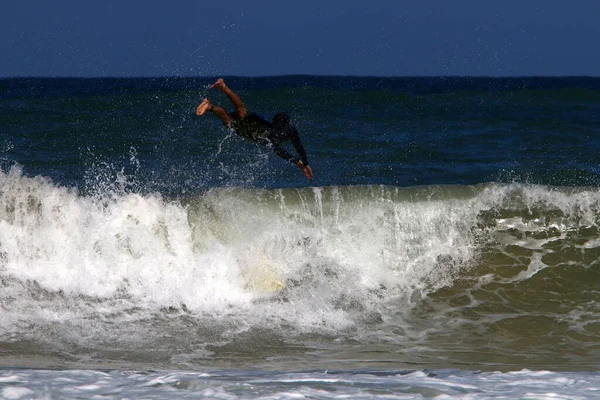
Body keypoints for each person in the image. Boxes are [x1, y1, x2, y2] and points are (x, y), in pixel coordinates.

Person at [196, 78, 313, 181]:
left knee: (240, 111)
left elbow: (278, 147)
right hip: (255, 134)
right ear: (287, 122)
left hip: (257, 125)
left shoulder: (271, 126)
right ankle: (210, 106)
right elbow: (296, 148)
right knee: (229, 122)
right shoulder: (290, 130)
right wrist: (301, 163)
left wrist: (299, 162)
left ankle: (218, 95)